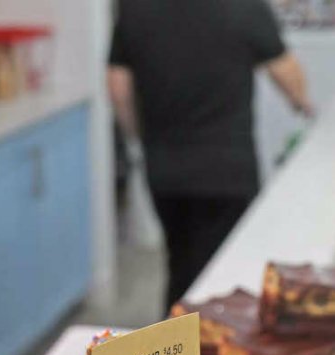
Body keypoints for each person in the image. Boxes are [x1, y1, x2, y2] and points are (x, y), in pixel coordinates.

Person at [107, 0, 312, 309]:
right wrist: (303, 104)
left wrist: (139, 134)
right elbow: (285, 70)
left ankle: (175, 345)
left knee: (179, 261)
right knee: (226, 277)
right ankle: (214, 349)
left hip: (165, 168)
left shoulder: (135, 7)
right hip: (227, 168)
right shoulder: (245, 7)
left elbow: (118, 85)